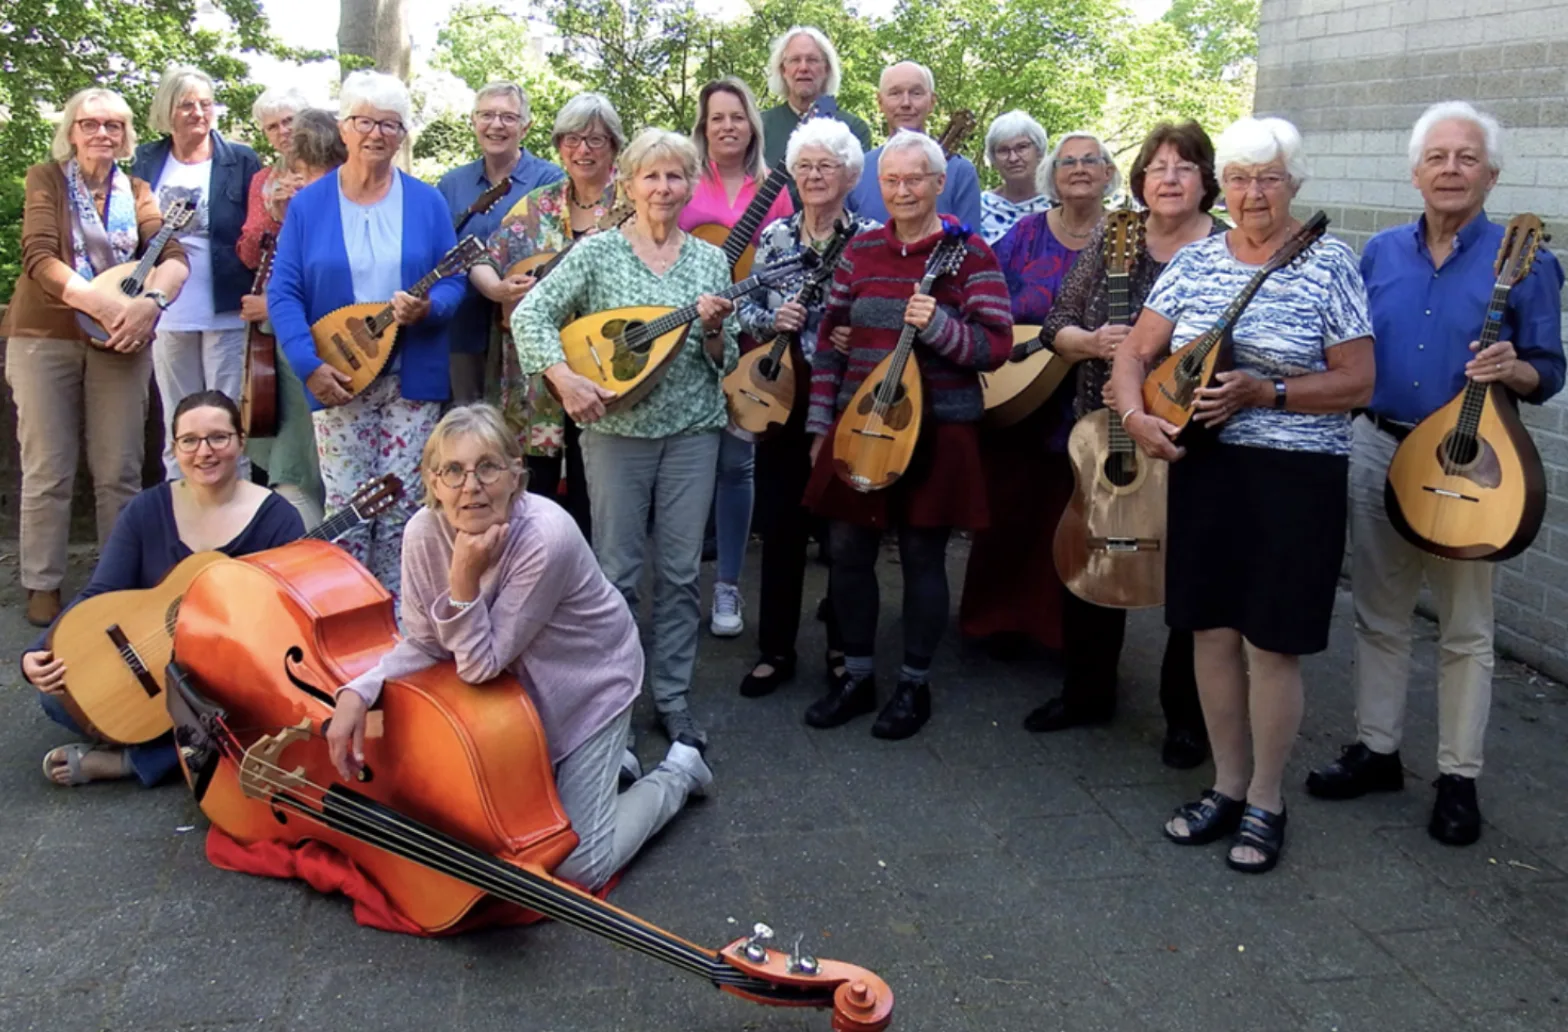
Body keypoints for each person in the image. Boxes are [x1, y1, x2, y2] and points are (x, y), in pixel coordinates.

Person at [1109, 116, 1375, 874]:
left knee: (1272, 642)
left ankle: (1267, 797)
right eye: (1239, 178)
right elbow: (1136, 352)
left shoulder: (1329, 264)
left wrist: (1271, 391)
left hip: (1296, 477)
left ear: (1294, 184)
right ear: (1221, 185)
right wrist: (1135, 416)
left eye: (1269, 178)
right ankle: (1224, 786)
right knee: (1211, 633)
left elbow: (1360, 380)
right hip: (1208, 468)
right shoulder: (1194, 262)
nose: (1253, 193)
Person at [1304, 101, 1565, 847]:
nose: (1451, 169)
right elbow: (1342, 351)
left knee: (1465, 629)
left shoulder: (1526, 261)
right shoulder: (1379, 253)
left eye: (1467, 157)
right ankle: (1378, 750)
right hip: (1379, 446)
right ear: (1415, 171)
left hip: (1475, 464)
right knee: (1379, 614)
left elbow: (1549, 371)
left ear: (1492, 173)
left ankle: (1458, 775)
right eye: (1437, 157)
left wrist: (1516, 367)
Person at [325, 405, 711, 891]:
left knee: (579, 866)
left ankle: (678, 771)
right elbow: (425, 644)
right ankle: (610, 767)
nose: (471, 486)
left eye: (488, 467)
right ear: (433, 481)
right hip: (515, 696)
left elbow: (479, 665)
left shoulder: (544, 535)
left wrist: (463, 578)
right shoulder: (423, 532)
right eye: (453, 471)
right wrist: (359, 690)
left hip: (589, 681)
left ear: (516, 476)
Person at [514, 128, 739, 748]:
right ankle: (611, 698)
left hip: (693, 431)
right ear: (630, 183)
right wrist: (564, 379)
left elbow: (724, 360)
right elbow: (530, 313)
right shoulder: (597, 254)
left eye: (675, 177)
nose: (663, 187)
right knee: (615, 572)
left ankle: (671, 696)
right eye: (651, 176)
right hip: (616, 432)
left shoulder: (710, 260)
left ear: (690, 186)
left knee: (679, 571)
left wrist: (718, 332)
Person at [801, 130, 1012, 740]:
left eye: (914, 179)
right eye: (891, 180)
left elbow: (996, 345)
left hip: (939, 429)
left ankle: (914, 683)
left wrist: (942, 326)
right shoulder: (860, 252)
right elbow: (828, 344)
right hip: (859, 425)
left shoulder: (970, 255)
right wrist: (820, 426)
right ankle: (858, 675)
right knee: (845, 552)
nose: (901, 191)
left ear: (939, 184)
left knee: (922, 557)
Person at [1032, 121, 1226, 769]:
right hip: (1105, 427)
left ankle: (1187, 717)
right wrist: (1093, 344)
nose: (1169, 179)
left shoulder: (1228, 249)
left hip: (1189, 437)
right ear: (1139, 181)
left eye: (1184, 167)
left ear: (1206, 179)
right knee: (1094, 559)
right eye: (1157, 168)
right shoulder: (1116, 239)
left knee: (1188, 576)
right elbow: (1057, 323)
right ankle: (1087, 691)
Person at [22, 391, 305, 787]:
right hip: (149, 665)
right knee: (56, 696)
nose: (204, 452)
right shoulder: (147, 509)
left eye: (218, 438)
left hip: (225, 680)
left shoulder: (278, 519)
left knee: (267, 713)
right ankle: (172, 740)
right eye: (189, 441)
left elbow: (283, 627)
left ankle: (134, 761)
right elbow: (100, 592)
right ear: (174, 449)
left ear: (241, 442)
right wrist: (38, 650)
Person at [267, 71, 464, 605]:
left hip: (411, 374)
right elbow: (283, 292)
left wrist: (430, 307)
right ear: (343, 128)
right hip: (337, 374)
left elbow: (454, 279)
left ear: (402, 135)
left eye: (389, 124)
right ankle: (350, 620)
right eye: (364, 121)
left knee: (404, 509)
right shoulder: (310, 205)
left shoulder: (426, 202)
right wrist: (309, 364)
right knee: (348, 509)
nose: (375, 133)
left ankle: (402, 626)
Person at [4, 87, 190, 628]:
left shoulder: (139, 190)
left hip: (122, 340)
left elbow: (173, 256)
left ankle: (119, 579)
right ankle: (43, 580)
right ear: (72, 131)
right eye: (90, 124)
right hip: (45, 335)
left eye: (113, 125)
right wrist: (103, 305)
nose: (101, 134)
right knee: (47, 466)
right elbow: (38, 254)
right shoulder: (46, 179)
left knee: (121, 470)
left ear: (126, 135)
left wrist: (152, 305)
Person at [732, 117, 880, 699]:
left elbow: (886, 315)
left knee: (844, 531)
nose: (815, 176)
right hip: (782, 396)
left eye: (826, 166)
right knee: (782, 524)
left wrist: (853, 331)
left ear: (849, 174)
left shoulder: (870, 238)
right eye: (804, 166)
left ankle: (844, 649)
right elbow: (746, 311)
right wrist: (775, 319)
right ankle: (775, 649)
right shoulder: (774, 238)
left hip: (845, 398)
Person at [958, 131, 1119, 660]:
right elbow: (982, 294)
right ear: (1052, 177)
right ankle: (995, 623)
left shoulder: (1125, 237)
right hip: (1020, 394)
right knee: (1010, 509)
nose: (1078, 170)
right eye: (1067, 162)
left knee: (1070, 513)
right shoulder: (1025, 234)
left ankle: (1062, 635)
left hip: (1093, 399)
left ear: (1108, 174)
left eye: (1089, 161)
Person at [473, 92, 626, 541]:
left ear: (614, 146)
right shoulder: (537, 205)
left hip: (602, 360)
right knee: (534, 490)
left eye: (596, 140)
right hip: (537, 373)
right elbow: (483, 257)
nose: (583, 150)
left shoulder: (634, 203)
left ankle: (590, 594)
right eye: (573, 139)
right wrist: (497, 288)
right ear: (559, 145)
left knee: (593, 488)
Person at [679, 77, 794, 639]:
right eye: (716, 117)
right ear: (703, 126)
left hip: (749, 341)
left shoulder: (776, 187)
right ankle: (678, 588)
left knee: (735, 465)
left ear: (753, 125)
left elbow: (788, 266)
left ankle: (727, 583)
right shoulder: (681, 179)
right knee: (684, 465)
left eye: (738, 116)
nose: (727, 126)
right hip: (687, 340)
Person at [131, 65, 262, 477]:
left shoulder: (239, 160)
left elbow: (257, 229)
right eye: (187, 104)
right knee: (178, 415)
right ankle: (180, 514)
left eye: (205, 104)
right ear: (167, 110)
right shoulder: (146, 159)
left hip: (225, 302)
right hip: (165, 307)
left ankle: (234, 519)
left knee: (226, 415)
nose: (198, 113)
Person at [236, 108, 347, 530]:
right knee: (295, 467)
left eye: (304, 168)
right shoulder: (278, 190)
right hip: (285, 347)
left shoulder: (342, 197)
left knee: (302, 470)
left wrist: (273, 305)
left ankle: (322, 561)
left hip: (317, 345)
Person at [436, 82, 565, 403]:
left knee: (518, 430)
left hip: (523, 329)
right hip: (463, 327)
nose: (496, 125)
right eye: (487, 115)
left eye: (508, 117)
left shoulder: (550, 181)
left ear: (526, 127)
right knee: (466, 420)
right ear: (473, 121)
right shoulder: (451, 184)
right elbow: (440, 251)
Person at [845, 62, 982, 231]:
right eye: (895, 93)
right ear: (880, 102)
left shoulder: (960, 172)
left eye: (916, 93)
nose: (906, 103)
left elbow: (972, 248)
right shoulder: (857, 170)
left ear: (932, 102)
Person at [758, 25, 873, 174]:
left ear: (827, 69)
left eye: (812, 60)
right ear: (783, 70)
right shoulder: (759, 127)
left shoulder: (854, 128)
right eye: (795, 60)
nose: (803, 67)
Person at [236, 86, 309, 269]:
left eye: (289, 121)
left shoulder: (336, 170)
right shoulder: (263, 180)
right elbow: (249, 257)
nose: (283, 131)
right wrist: (275, 218)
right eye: (272, 127)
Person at [979, 110, 1050, 244]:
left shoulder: (1059, 206)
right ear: (993, 158)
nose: (1013, 158)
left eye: (1022, 147)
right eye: (1003, 150)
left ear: (1039, 151)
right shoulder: (980, 208)